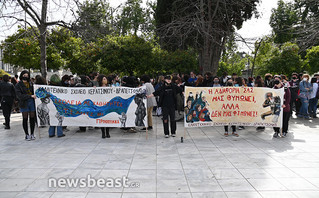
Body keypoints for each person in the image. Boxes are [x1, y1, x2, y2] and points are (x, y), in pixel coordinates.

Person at [15, 70, 37, 141]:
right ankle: (27, 134)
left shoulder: (31, 83)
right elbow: (19, 96)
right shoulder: (18, 85)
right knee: (25, 118)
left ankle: (32, 133)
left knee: (32, 118)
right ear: (21, 76)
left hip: (32, 102)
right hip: (24, 103)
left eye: (27, 76)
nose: (25, 77)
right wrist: (30, 96)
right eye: (24, 76)